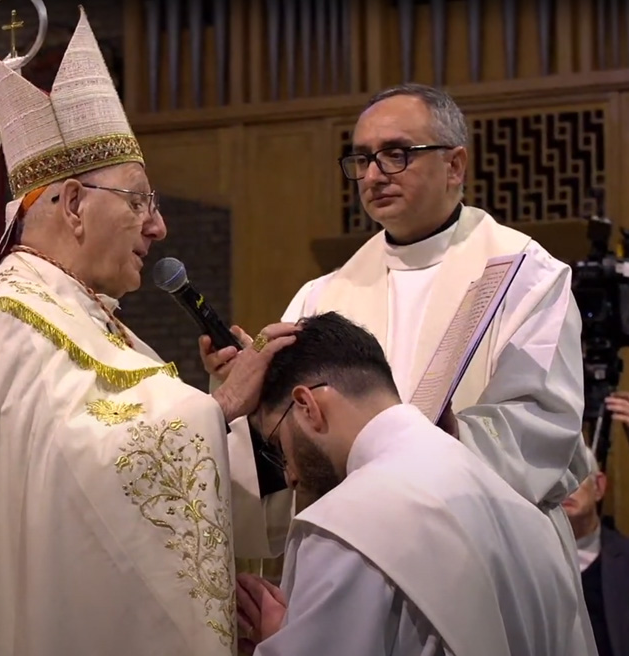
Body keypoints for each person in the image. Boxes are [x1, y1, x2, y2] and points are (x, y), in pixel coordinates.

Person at [0, 9, 294, 656]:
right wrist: (219, 409)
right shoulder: (6, 326)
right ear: (75, 206)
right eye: (140, 201)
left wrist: (215, 406)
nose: (158, 226)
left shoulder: (72, 312)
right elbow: (87, 480)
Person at [203, 82, 594, 647]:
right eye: (361, 158)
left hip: (477, 554)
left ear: (455, 164)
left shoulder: (524, 277)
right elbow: (289, 449)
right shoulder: (322, 295)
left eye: (396, 153)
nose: (373, 174)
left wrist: (426, 439)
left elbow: (544, 427)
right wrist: (252, 395)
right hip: (354, 560)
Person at [235, 311, 587, 656]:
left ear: (306, 405)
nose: (290, 474)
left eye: (280, 446)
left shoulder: (345, 524)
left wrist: (280, 640)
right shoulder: (522, 507)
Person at [563, 445, 629, 656]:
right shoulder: (525, 564)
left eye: (575, 473)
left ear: (598, 486)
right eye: (555, 479)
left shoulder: (625, 559)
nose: (566, 486)